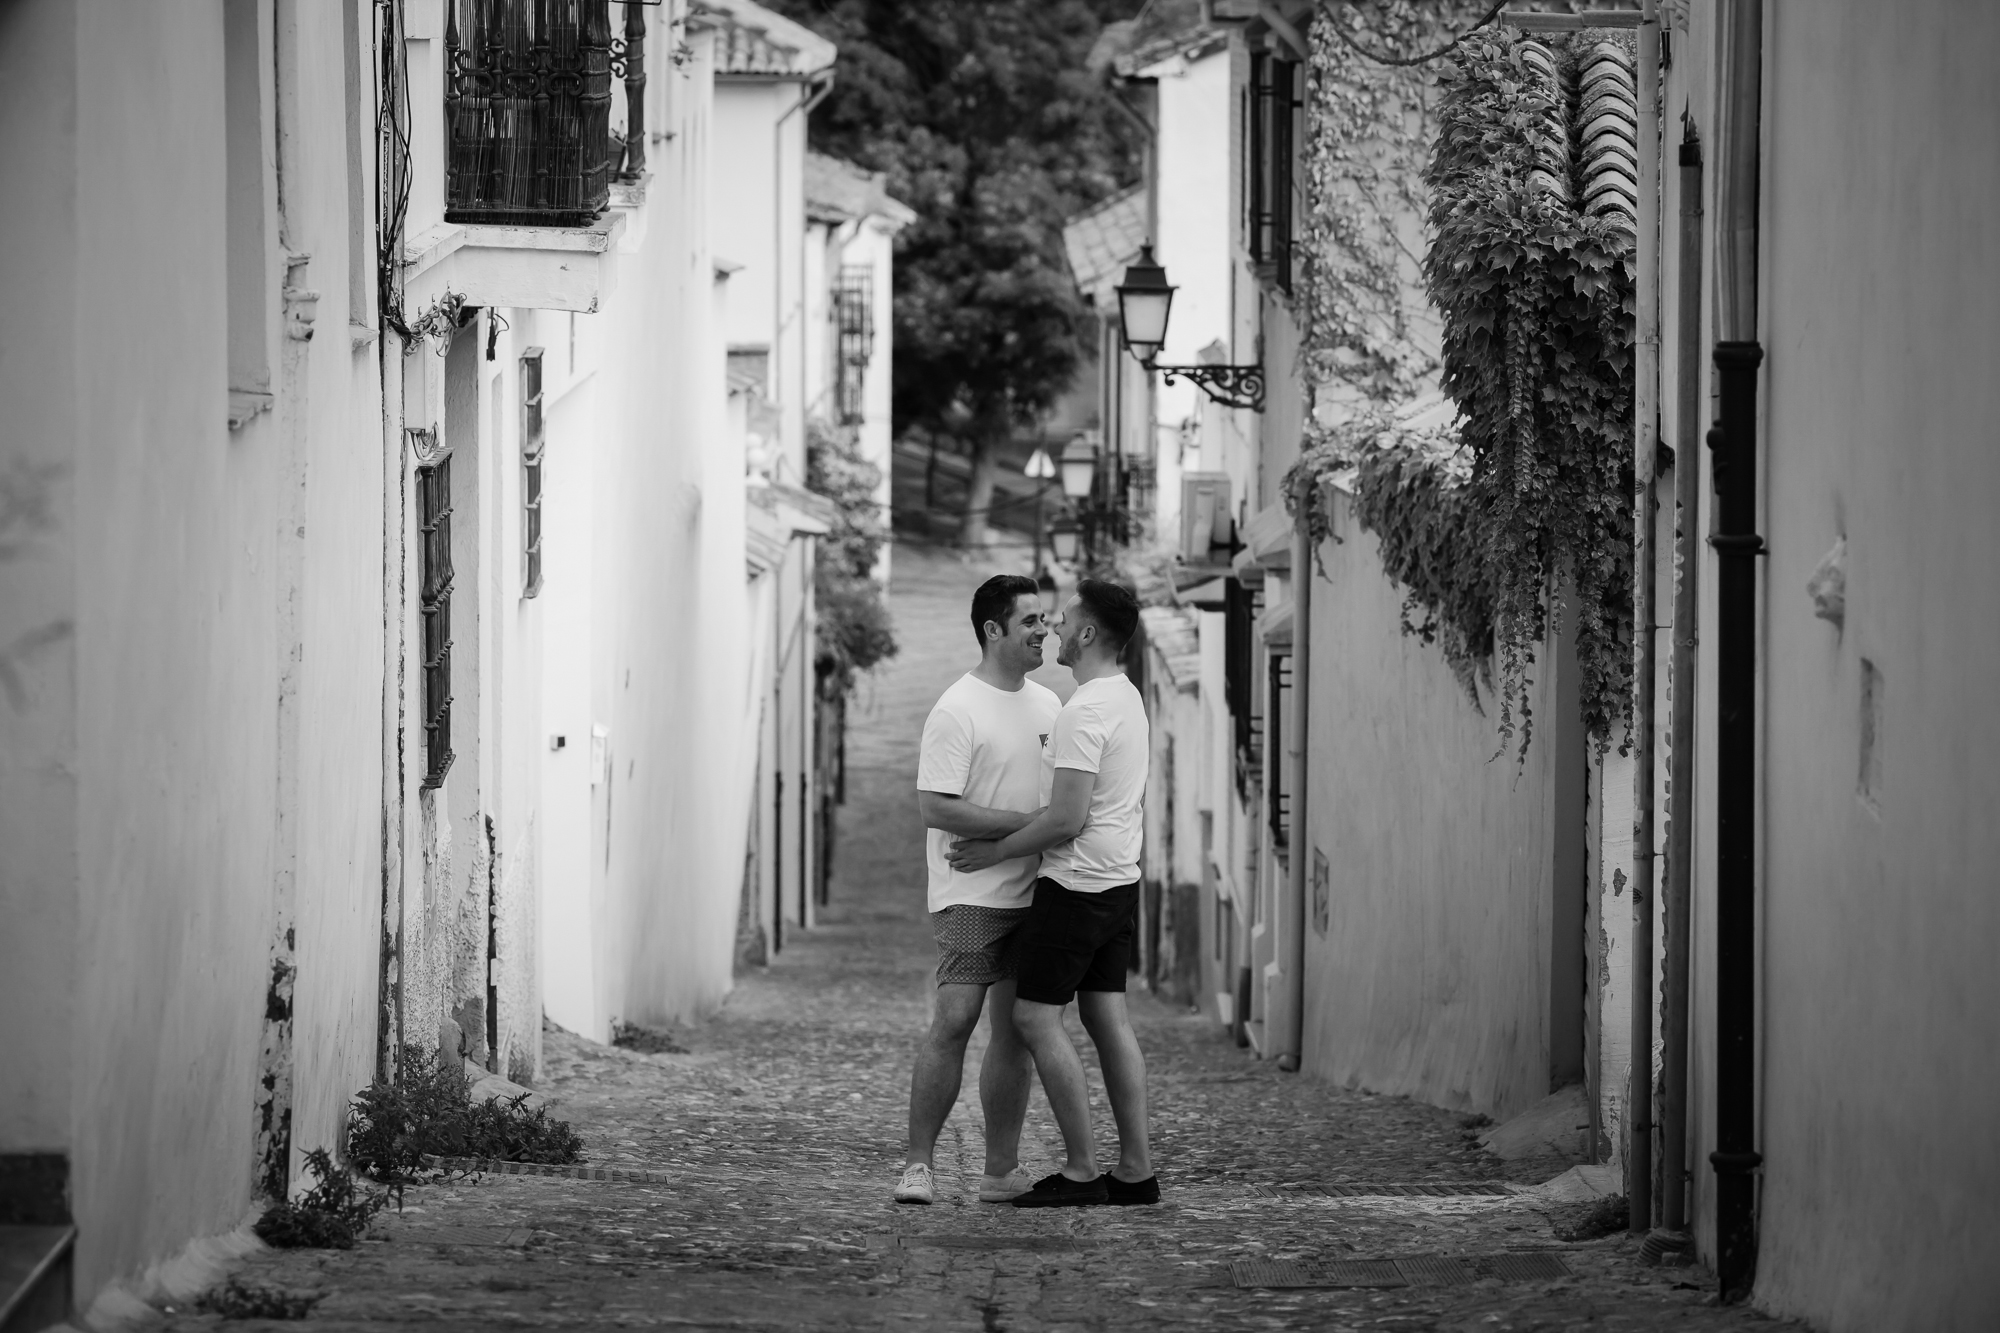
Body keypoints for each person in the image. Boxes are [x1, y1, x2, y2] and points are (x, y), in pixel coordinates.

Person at [946, 578, 1157, 1208]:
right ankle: (1136, 1170)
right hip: (1119, 882)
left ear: (1089, 633)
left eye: (1064, 621)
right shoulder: (1126, 697)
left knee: (1034, 1016)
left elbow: (1066, 819)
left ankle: (1085, 1170)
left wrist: (996, 850)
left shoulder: (1084, 711)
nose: (1055, 631)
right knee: (1106, 1018)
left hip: (1074, 886)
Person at [895, 574, 1062, 1206]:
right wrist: (1030, 827)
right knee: (956, 1018)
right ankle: (917, 1166)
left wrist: (1038, 834)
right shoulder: (956, 709)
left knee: (1016, 1031)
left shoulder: (1051, 707)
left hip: (1037, 890)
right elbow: (935, 806)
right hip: (970, 893)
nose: (1043, 631)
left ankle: (999, 1171)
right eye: (1030, 622)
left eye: (1045, 619)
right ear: (993, 631)